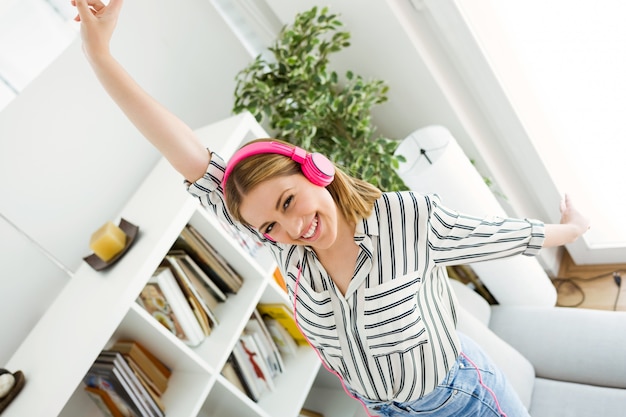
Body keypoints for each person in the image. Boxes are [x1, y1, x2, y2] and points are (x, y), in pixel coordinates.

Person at [72, 1, 591, 416]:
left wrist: (567, 232)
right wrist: (100, 56)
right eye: (270, 226)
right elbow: (184, 153)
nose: (292, 228)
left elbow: (494, 234)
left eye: (288, 200)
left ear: (315, 168)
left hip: (463, 401)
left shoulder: (405, 221)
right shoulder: (290, 256)